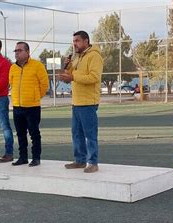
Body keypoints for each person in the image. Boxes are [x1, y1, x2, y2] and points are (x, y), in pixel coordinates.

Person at [58, 30, 104, 173]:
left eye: (77, 41)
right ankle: (80, 160)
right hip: (76, 102)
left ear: (86, 41)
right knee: (76, 133)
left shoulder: (94, 56)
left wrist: (72, 77)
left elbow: (93, 77)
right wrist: (68, 67)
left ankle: (93, 162)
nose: (75, 44)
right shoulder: (77, 57)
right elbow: (74, 74)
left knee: (90, 134)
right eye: (73, 41)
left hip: (88, 102)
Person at [9, 42, 49, 167]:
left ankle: (36, 158)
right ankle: (23, 157)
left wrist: (35, 97)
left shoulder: (37, 66)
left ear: (27, 52)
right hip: (17, 106)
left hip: (32, 107)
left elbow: (44, 85)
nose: (17, 53)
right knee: (20, 134)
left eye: (19, 50)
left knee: (34, 133)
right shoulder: (13, 68)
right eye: (15, 51)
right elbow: (12, 83)